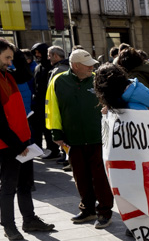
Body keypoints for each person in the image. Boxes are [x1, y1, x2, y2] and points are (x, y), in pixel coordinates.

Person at [0, 37, 55, 241]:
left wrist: (14, 51)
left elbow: (25, 74)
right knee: (9, 185)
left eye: (11, 57)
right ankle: (8, 225)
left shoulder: (4, 73)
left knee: (25, 183)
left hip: (22, 138)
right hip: (8, 142)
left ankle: (29, 219)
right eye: (7, 57)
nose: (10, 61)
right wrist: (17, 145)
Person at [46, 49, 114, 230]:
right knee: (81, 177)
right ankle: (87, 209)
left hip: (98, 138)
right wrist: (56, 134)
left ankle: (105, 212)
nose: (92, 67)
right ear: (76, 66)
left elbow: (113, 102)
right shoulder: (58, 81)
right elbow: (52, 108)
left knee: (100, 178)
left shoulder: (98, 79)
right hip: (73, 139)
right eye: (88, 64)